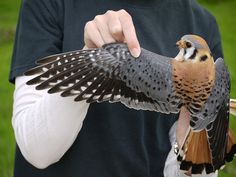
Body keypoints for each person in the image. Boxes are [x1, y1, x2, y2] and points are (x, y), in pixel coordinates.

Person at [10, 0, 223, 176]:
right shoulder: (50, 4)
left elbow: (198, 162)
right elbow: (37, 151)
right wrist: (90, 61)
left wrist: (188, 151)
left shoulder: (203, 24)